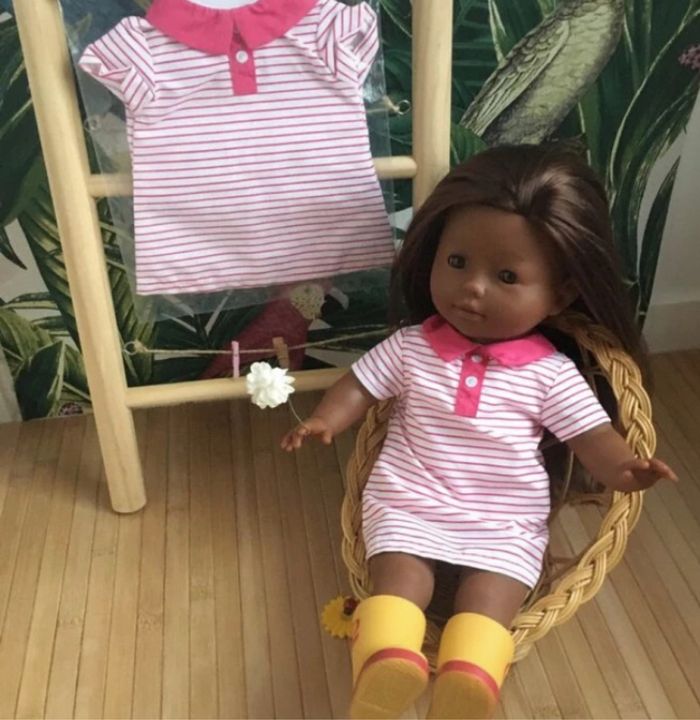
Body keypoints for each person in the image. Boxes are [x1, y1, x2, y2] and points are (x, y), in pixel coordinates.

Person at [281, 144, 676, 720]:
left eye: (507, 276)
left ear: (560, 295)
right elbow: (360, 385)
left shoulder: (550, 374)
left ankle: (468, 683)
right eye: (458, 262)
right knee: (397, 577)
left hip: (504, 516)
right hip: (411, 494)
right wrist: (325, 419)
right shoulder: (414, 346)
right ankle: (385, 664)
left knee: (492, 596)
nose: (472, 288)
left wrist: (625, 468)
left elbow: (591, 436)